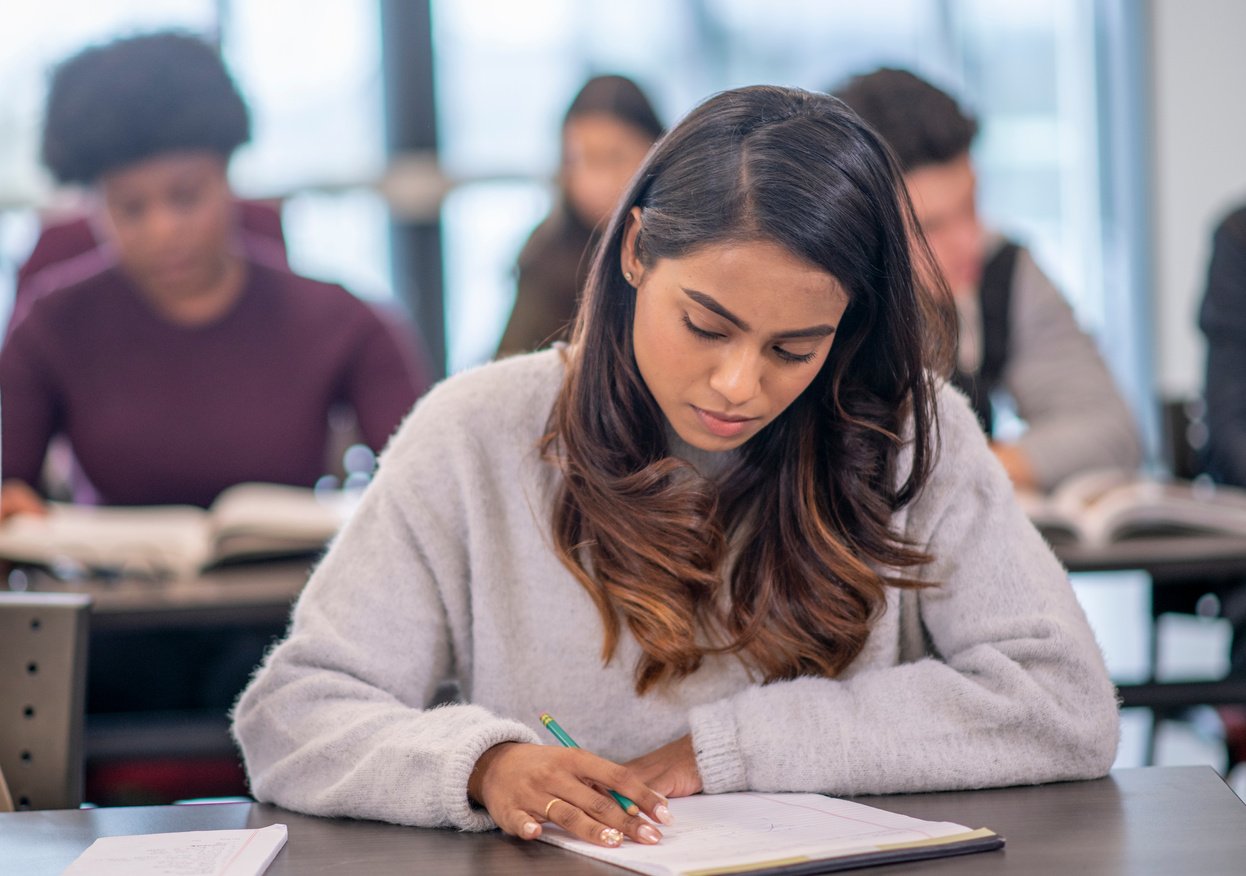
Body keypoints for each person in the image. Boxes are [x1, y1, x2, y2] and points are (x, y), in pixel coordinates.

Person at [233, 86, 1118, 849]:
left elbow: (1062, 700)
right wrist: (484, 766)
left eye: (794, 347)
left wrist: (730, 749)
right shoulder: (474, 433)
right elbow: (294, 712)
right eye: (705, 325)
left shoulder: (910, 436)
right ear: (634, 251)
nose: (739, 385)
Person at [0, 31, 425, 517]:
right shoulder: (49, 328)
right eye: (130, 208)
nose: (163, 230)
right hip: (118, 590)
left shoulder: (343, 321)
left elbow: (422, 486)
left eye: (185, 196)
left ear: (227, 176)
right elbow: (10, 486)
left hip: (307, 589)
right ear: (93, 206)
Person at [834, 68, 1141, 493]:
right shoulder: (811, 300)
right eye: (931, 226)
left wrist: (973, 469)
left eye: (971, 203)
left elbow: (1109, 432)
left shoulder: (1003, 271)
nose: (970, 240)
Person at [495, 74, 662, 357]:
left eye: (612, 158)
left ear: (657, 153)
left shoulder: (683, 249)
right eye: (577, 160)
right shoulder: (545, 252)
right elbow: (507, 364)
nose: (592, 180)